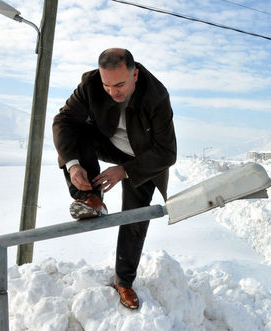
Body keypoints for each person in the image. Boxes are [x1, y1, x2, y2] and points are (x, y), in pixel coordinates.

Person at [52, 48, 177, 309]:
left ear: (135, 74)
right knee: (79, 130)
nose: (113, 92)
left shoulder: (156, 96)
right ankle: (91, 197)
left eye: (120, 85)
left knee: (135, 217)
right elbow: (63, 121)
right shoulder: (90, 84)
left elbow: (167, 152)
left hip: (143, 159)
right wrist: (73, 166)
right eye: (107, 85)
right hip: (107, 143)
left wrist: (125, 170)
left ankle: (124, 281)